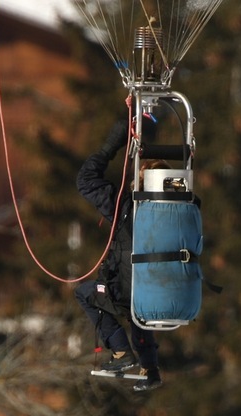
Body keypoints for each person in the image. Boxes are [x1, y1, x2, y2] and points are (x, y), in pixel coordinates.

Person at [74, 117, 169, 392]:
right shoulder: (182, 210)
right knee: (142, 304)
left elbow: (86, 181)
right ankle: (150, 368)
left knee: (85, 293)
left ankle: (120, 352)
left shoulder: (126, 208)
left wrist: (110, 147)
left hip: (127, 292)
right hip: (165, 291)